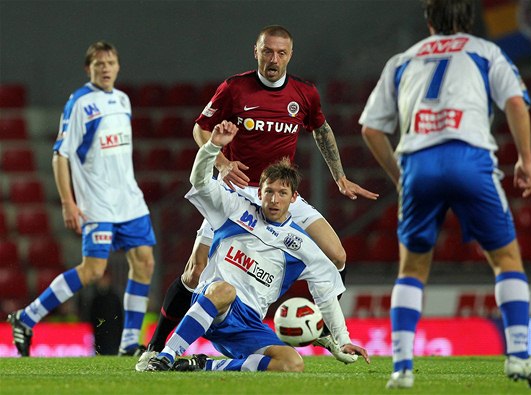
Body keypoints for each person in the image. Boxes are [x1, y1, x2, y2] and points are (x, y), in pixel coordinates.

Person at [140, 25, 378, 364]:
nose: (274, 59)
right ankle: (157, 347)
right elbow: (200, 127)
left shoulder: (304, 93)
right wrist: (221, 162)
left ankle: (322, 330)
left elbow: (321, 129)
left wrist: (339, 176)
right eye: (268, 51)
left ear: (290, 55)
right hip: (237, 192)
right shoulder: (235, 88)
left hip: (279, 193)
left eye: (281, 53)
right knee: (194, 273)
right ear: (257, 51)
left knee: (336, 256)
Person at [359, 0, 531, 390]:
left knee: (411, 269)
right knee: (506, 259)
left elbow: (370, 129)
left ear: (429, 21)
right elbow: (515, 102)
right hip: (468, 157)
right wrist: (526, 161)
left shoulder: (403, 59)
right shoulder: (484, 50)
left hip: (417, 162)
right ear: (469, 20)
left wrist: (400, 177)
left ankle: (402, 369)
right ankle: (518, 356)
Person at [140, 120, 370, 372]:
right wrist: (212, 147)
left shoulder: (304, 247)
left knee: (292, 364)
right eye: (268, 192)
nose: (274, 199)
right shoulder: (234, 208)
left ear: (294, 198)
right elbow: (200, 181)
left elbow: (326, 296)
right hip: (215, 301)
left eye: (282, 193)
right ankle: (165, 355)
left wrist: (344, 340)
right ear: (258, 193)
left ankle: (203, 366)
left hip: (248, 323)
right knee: (225, 290)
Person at [7, 41, 156, 357]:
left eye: (111, 62)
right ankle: (27, 317)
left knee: (144, 262)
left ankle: (130, 342)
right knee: (91, 271)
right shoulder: (80, 103)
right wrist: (67, 202)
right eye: (99, 64)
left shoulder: (123, 100)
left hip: (129, 200)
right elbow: (60, 155)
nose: (105, 68)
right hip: (98, 202)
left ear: (117, 66)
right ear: (88, 69)